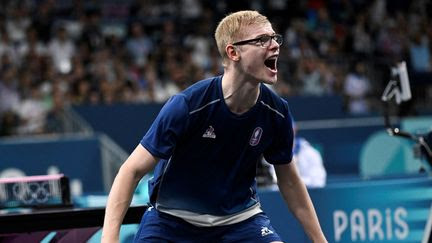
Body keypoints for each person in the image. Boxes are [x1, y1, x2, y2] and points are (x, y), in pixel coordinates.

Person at [102, 10, 327, 243]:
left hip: (241, 221)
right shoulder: (188, 105)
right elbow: (131, 171)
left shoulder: (277, 112)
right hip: (172, 220)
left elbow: (289, 181)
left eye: (274, 38)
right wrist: (109, 239)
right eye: (262, 40)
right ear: (233, 52)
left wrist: (320, 241)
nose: (275, 46)